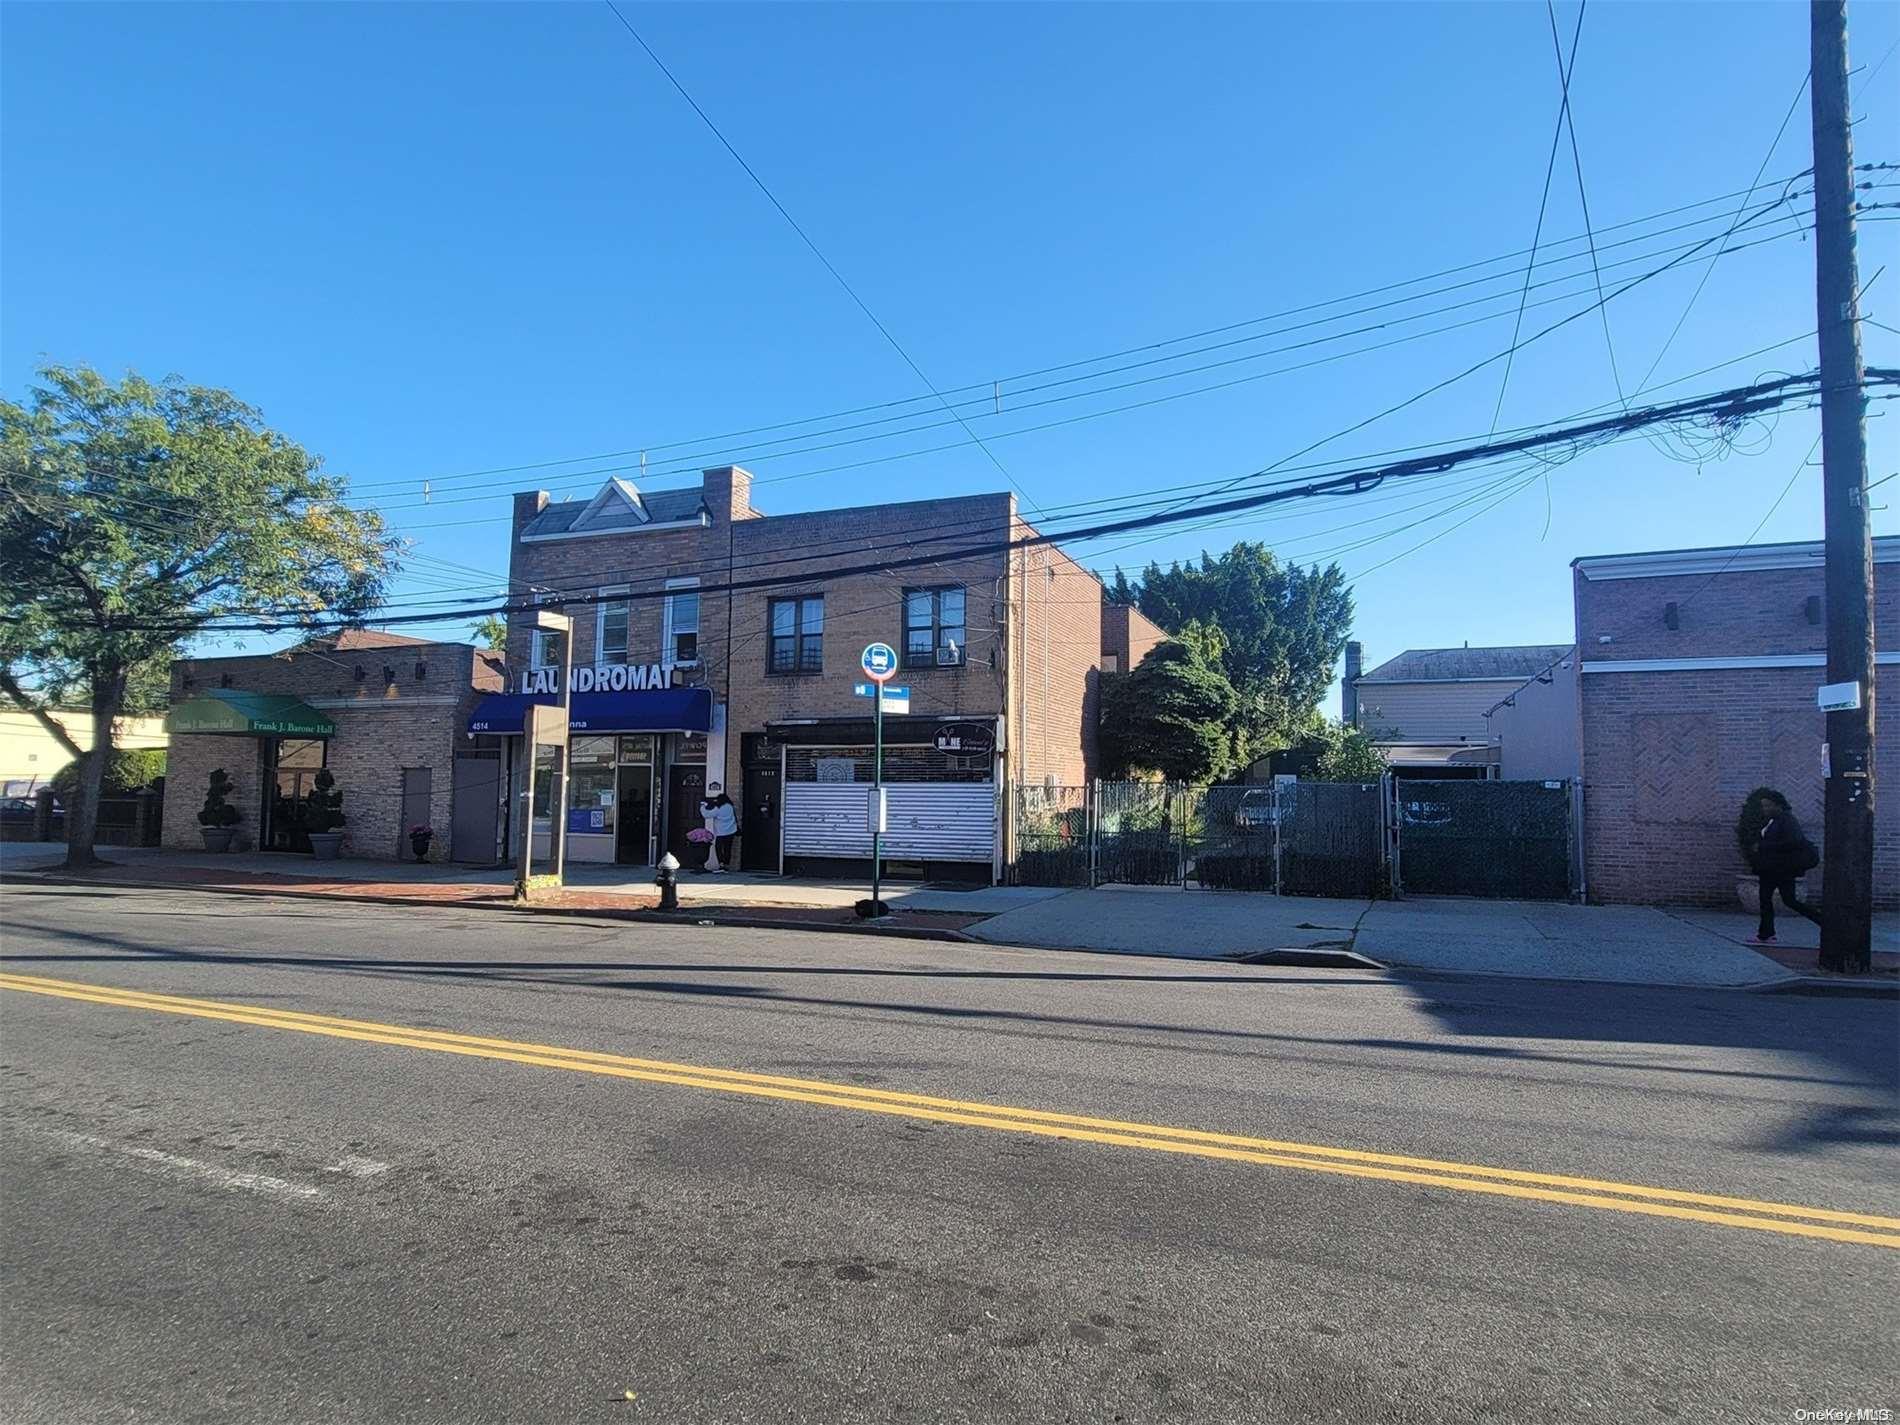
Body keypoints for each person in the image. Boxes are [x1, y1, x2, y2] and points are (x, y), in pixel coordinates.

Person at [1751, 792, 1822, 944]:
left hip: (1780, 868)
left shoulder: (1787, 819)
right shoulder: (1774, 820)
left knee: (1780, 900)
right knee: (1780, 900)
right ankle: (1766, 934)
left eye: (1768, 805)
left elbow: (1793, 841)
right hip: (1772, 867)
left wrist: (1764, 846)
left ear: (1778, 805)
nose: (1765, 808)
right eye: (1763, 805)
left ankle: (1823, 921)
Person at [699, 782, 739, 874]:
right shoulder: (730, 807)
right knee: (728, 849)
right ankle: (726, 865)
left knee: (718, 848)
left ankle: (721, 865)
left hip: (721, 832)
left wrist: (703, 806)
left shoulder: (718, 808)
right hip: (731, 831)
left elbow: (706, 815)